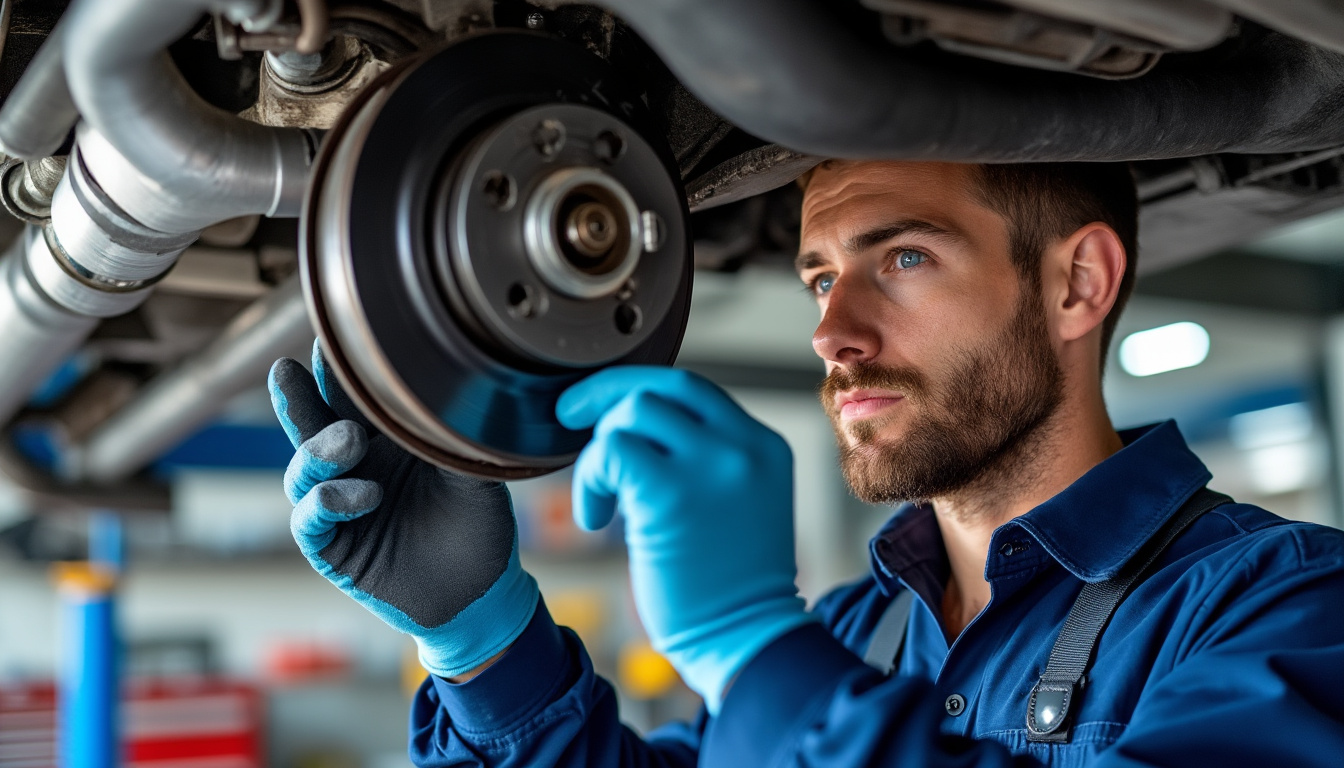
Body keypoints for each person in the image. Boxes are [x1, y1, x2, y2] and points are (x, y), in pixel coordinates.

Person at [268, 160, 1344, 766]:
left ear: (1077, 285)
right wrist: (482, 642)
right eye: (822, 278)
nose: (835, 333)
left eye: (904, 258)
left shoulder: (1291, 608)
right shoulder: (851, 635)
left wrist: (749, 649)